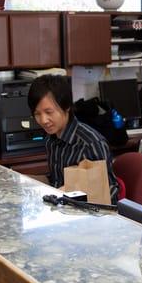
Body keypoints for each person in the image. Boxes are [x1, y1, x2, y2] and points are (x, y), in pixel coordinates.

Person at [27, 75, 119, 203]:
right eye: (37, 114)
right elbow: (56, 180)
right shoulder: (52, 140)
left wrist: (67, 192)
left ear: (66, 107)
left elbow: (109, 193)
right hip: (62, 209)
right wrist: (22, 179)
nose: (43, 120)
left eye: (49, 112)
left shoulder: (90, 143)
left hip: (88, 216)